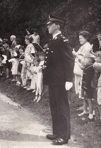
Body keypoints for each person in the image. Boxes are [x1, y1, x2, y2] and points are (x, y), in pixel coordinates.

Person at [44, 15, 74, 145]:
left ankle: (64, 135)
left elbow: (68, 60)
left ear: (57, 25)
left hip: (61, 80)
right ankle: (57, 132)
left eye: (50, 25)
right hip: (53, 79)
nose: (48, 27)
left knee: (62, 107)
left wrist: (69, 79)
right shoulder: (54, 40)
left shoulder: (62, 40)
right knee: (54, 106)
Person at [72, 31, 92, 112]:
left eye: (81, 38)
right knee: (81, 89)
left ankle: (86, 108)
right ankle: (84, 106)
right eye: (79, 38)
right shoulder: (83, 46)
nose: (79, 40)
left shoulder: (87, 47)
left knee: (83, 89)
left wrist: (75, 54)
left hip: (83, 70)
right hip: (79, 70)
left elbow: (85, 60)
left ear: (86, 38)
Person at [77, 55, 95, 122]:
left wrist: (85, 88)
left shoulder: (90, 68)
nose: (84, 61)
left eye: (85, 59)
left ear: (90, 61)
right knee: (85, 99)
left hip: (88, 88)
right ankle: (86, 111)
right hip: (85, 87)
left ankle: (91, 116)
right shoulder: (87, 67)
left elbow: (88, 80)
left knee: (89, 101)